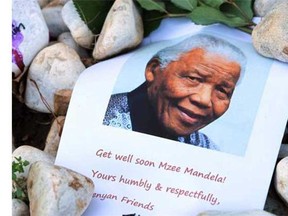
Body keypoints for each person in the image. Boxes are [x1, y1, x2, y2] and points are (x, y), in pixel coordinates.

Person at [103, 34, 247, 151]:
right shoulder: (99, 117)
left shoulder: (206, 149)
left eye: (222, 90)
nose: (204, 99)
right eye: (193, 78)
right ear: (153, 70)